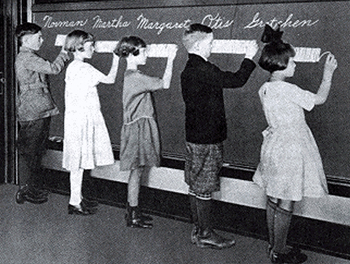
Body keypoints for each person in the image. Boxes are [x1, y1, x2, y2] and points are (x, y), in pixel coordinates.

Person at [252, 25, 338, 263]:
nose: (295, 66)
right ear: (280, 65)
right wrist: (328, 72)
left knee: (273, 196)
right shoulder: (288, 89)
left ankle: (274, 245)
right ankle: (279, 252)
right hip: (290, 148)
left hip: (273, 146)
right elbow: (319, 99)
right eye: (292, 63)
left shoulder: (265, 88)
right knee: (287, 198)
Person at [180, 23, 258, 249]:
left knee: (195, 184)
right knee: (204, 187)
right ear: (198, 44)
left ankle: (198, 229)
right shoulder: (203, 69)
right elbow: (236, 80)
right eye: (210, 43)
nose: (212, 47)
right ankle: (205, 232)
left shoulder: (189, 68)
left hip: (193, 136)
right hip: (208, 139)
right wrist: (249, 57)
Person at [115, 36, 177, 228]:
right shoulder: (136, 78)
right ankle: (133, 213)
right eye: (143, 51)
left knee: (137, 170)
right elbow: (164, 83)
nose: (146, 55)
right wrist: (171, 59)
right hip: (137, 129)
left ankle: (133, 211)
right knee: (137, 170)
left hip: (136, 127)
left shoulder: (132, 75)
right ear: (133, 53)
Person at [63, 30, 119, 215]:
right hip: (82, 119)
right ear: (79, 47)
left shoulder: (73, 66)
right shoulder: (84, 68)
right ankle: (74, 202)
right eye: (90, 46)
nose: (93, 49)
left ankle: (76, 200)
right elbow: (110, 79)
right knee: (78, 164)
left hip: (74, 119)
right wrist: (116, 58)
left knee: (77, 164)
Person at [15, 22, 70, 204]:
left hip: (37, 110)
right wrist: (63, 52)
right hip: (34, 111)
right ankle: (26, 190)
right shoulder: (27, 58)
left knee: (35, 151)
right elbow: (53, 69)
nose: (42, 40)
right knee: (31, 152)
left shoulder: (28, 56)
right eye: (39, 37)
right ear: (28, 39)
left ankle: (30, 189)